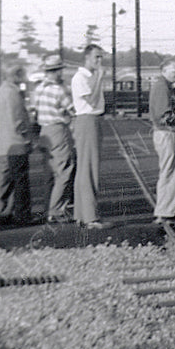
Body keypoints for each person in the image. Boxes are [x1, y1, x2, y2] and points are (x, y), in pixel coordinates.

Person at [32, 55, 75, 223]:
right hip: (58, 130)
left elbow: (34, 110)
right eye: (60, 71)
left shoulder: (39, 89)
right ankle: (56, 210)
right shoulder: (59, 90)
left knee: (50, 172)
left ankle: (48, 207)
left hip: (44, 132)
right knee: (64, 170)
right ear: (56, 72)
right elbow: (72, 110)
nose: (61, 73)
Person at [0, 63, 34, 225]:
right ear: (16, 76)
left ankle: (2, 212)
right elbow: (18, 120)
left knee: (4, 180)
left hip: (3, 142)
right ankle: (23, 215)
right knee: (20, 181)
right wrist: (27, 138)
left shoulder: (0, 91)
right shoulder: (13, 93)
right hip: (16, 142)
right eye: (22, 75)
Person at [71, 44, 106, 228]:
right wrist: (99, 77)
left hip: (91, 120)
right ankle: (90, 217)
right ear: (87, 58)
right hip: (87, 120)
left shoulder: (88, 77)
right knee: (89, 168)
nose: (99, 61)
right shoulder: (81, 77)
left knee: (85, 168)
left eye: (101, 57)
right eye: (96, 57)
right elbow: (91, 101)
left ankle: (81, 213)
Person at [149, 59, 175, 223]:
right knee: (170, 171)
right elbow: (165, 116)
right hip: (168, 133)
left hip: (168, 133)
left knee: (170, 171)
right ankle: (165, 212)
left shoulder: (167, 86)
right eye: (174, 71)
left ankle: (166, 210)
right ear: (164, 71)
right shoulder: (162, 87)